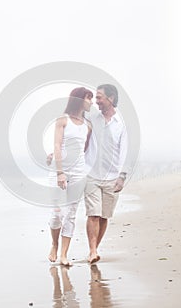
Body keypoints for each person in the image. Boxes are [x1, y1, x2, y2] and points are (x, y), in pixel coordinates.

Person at [48, 87, 93, 266]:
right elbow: (58, 146)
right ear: (79, 99)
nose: (91, 102)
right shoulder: (62, 120)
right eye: (88, 98)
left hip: (78, 172)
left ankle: (64, 255)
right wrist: (60, 171)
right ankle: (54, 244)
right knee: (56, 214)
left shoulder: (88, 125)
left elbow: (84, 149)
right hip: (59, 170)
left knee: (71, 215)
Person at [84, 84, 128, 264]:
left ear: (110, 98)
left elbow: (125, 151)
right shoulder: (93, 118)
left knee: (103, 216)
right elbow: (77, 132)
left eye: (100, 97)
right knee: (93, 214)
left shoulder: (122, 124)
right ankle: (92, 251)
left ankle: (95, 249)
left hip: (112, 177)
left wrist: (122, 176)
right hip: (92, 175)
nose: (97, 101)